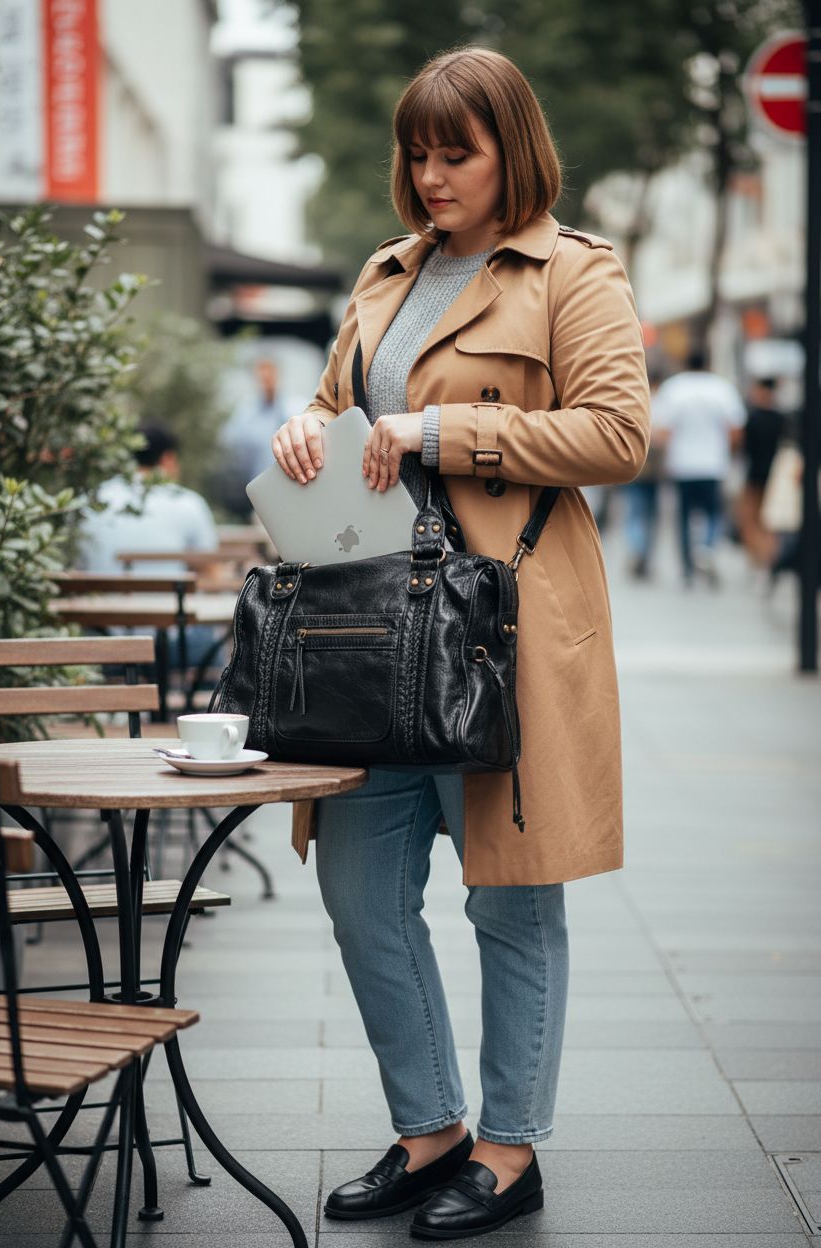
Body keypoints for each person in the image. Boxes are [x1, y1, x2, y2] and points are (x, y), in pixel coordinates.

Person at [271, 48, 649, 1240]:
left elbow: (616, 431)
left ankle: (506, 1149)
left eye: (458, 154)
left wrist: (442, 429)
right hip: (364, 627)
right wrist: (305, 426)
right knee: (360, 891)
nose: (432, 177)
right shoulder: (387, 276)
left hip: (502, 633)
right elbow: (344, 413)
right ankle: (427, 1130)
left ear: (510, 149)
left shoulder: (571, 274)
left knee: (511, 902)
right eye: (419, 155)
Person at [652, 350, 745, 586]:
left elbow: (663, 431)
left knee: (683, 516)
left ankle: (687, 568)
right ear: (707, 362)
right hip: (713, 463)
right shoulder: (721, 388)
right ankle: (708, 547)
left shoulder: (674, 388)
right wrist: (729, 455)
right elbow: (735, 430)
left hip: (682, 464)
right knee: (713, 512)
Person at [77, 424, 218, 575]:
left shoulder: (92, 498)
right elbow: (208, 571)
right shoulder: (189, 503)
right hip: (168, 598)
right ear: (168, 459)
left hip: (101, 597)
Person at [214, 357, 289, 519]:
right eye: (262, 377)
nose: (266, 381)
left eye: (269, 376)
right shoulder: (244, 415)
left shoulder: (295, 409)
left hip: (294, 490)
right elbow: (230, 450)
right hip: (262, 497)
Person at [736, 376, 784, 568]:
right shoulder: (780, 419)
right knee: (769, 520)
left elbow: (744, 447)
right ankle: (768, 557)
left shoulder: (753, 417)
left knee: (751, 518)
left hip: (755, 474)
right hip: (774, 476)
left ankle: (760, 557)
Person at [623, 373, 665, 579]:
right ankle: (645, 554)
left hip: (636, 470)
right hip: (656, 471)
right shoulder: (664, 402)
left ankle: (637, 549)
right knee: (651, 515)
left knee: (635, 513)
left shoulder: (633, 399)